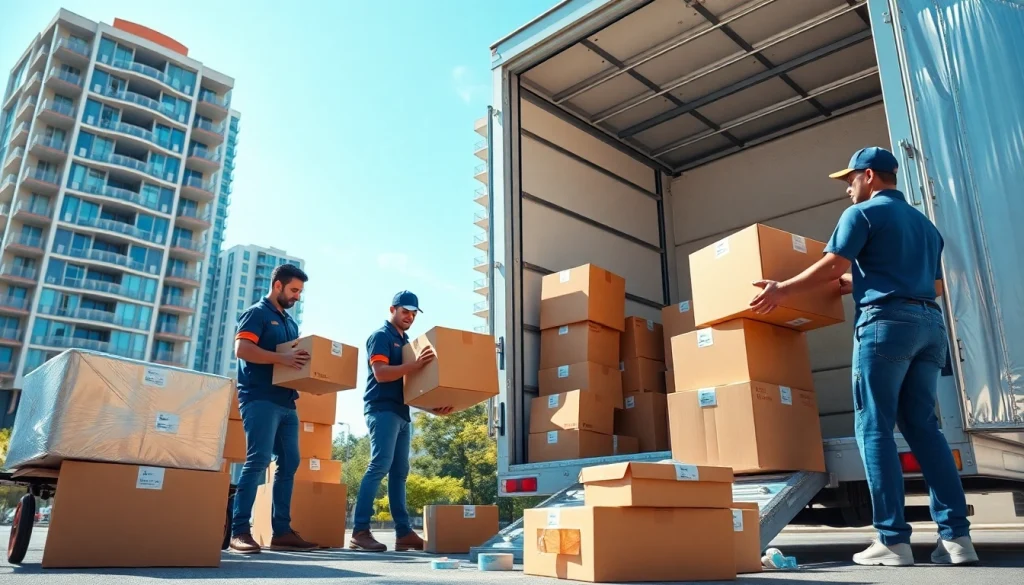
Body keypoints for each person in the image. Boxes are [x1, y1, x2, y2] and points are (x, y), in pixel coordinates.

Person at [749, 147, 977, 567]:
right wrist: (862, 281)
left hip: (885, 325)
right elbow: (936, 286)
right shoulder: (927, 227)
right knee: (926, 429)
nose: (848, 190)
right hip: (930, 326)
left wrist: (781, 290)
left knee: (874, 427)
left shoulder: (862, 215)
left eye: (850, 180)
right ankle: (957, 539)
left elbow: (833, 264)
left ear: (869, 176)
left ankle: (892, 540)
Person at [349, 291, 453, 552]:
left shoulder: (406, 342)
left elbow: (408, 387)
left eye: (414, 313)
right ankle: (359, 531)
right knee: (379, 466)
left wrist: (432, 409)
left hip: (402, 412)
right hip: (381, 410)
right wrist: (415, 365)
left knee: (400, 474)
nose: (410, 317)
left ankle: (404, 533)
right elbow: (382, 374)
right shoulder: (381, 337)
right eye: (405, 311)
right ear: (392, 309)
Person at [228, 263, 318, 554]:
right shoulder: (256, 313)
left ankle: (281, 532)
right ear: (277, 285)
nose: (297, 296)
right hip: (259, 398)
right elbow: (242, 349)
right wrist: (283, 360)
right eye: (294, 290)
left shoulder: (290, 323)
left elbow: (291, 360)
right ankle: (240, 531)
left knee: (290, 462)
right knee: (258, 460)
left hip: (286, 402)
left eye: (300, 292)